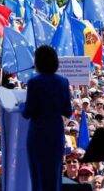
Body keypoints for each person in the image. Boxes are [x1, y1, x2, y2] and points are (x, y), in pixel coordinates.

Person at [22, 45, 73, 191]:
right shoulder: (63, 81)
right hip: (56, 134)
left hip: (38, 134)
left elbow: (28, 113)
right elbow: (67, 111)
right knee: (54, 176)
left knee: (38, 177)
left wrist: (21, 107)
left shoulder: (34, 82)